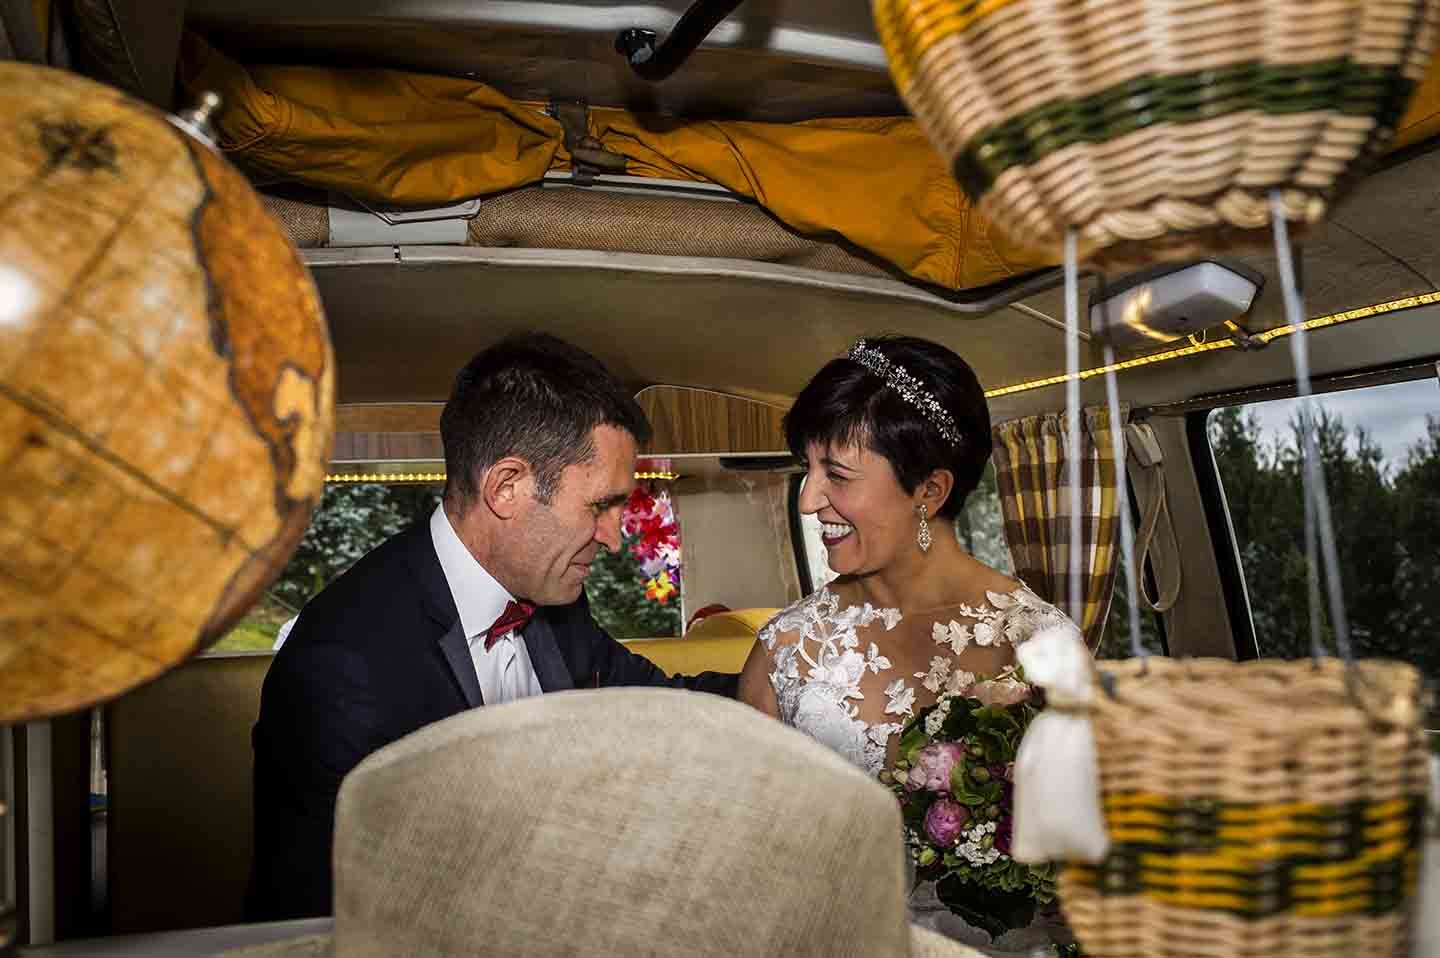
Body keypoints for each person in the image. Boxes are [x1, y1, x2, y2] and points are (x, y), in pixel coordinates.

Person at [245, 333, 738, 922]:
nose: (613, 537)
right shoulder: (343, 667)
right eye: (600, 506)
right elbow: (326, 918)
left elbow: (657, 705)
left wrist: (794, 681)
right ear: (507, 487)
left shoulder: (553, 599)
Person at [736, 336, 1073, 951]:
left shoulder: (1042, 645)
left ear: (930, 491)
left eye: (835, 474)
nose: (809, 500)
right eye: (806, 470)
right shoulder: (786, 654)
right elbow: (756, 875)